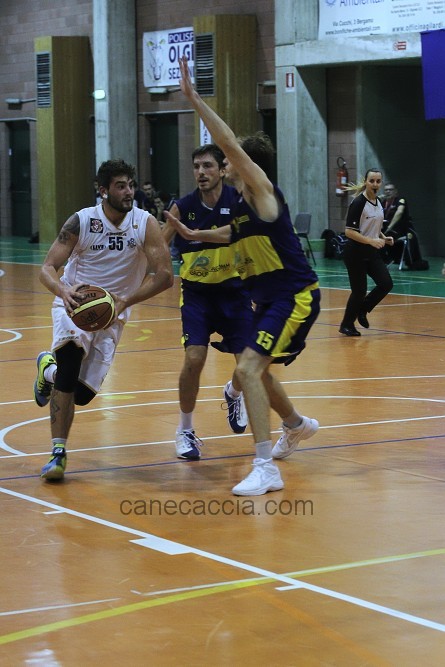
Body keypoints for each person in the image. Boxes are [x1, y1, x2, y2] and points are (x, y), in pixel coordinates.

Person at [165, 56, 320, 496]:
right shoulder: (239, 207)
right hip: (267, 301)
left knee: (248, 369)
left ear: (243, 164)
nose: (224, 162)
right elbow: (230, 234)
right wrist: (193, 234)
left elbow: (227, 140)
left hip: (293, 296)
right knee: (258, 373)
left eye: (229, 160)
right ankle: (296, 425)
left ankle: (265, 467)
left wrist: (194, 99)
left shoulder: (262, 192)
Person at [34, 158, 173, 481]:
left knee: (82, 394)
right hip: (75, 305)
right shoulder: (82, 221)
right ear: (103, 191)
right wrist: (63, 290)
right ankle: (58, 454)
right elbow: (47, 268)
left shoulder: (144, 223)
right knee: (70, 365)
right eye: (120, 186)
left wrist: (125, 301)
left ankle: (47, 370)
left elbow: (165, 276)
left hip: (112, 314)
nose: (129, 192)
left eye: (131, 185)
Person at [162, 143, 252, 461]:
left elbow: (243, 236)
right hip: (197, 294)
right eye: (197, 166)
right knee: (194, 359)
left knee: (250, 363)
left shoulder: (238, 201)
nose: (201, 172)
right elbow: (159, 245)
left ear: (222, 169)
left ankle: (233, 392)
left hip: (234, 292)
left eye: (207, 166)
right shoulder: (182, 207)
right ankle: (184, 430)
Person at [339, 169, 394, 336]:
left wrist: (383, 237)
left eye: (378, 181)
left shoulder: (378, 202)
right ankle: (346, 325)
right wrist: (371, 240)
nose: (375, 184)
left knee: (386, 283)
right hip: (355, 252)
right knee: (359, 291)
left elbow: (373, 225)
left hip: (371, 252)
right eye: (372, 181)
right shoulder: (358, 203)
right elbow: (349, 232)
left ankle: (363, 309)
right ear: (366, 182)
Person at [381, 183, 423, 268]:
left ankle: (388, 259)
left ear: (395, 191)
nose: (388, 191)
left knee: (382, 237)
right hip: (387, 230)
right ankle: (385, 259)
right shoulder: (383, 202)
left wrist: (389, 227)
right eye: (386, 190)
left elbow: (399, 212)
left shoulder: (400, 200)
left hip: (401, 230)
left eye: (390, 190)